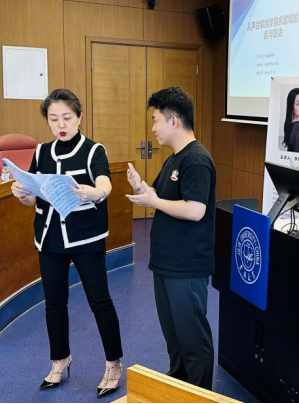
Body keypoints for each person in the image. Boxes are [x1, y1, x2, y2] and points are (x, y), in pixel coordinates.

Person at [11, 89, 124, 399]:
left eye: (67, 118)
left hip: (85, 237)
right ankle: (60, 359)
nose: (60, 125)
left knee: (99, 301)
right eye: (53, 119)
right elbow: (34, 196)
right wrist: (22, 194)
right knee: (54, 303)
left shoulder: (93, 150)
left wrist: (96, 193)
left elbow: (104, 182)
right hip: (49, 237)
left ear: (79, 117)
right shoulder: (41, 151)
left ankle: (113, 363)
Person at [126, 87, 216, 390]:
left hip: (187, 265)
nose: (153, 128)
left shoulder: (197, 160)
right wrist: (142, 188)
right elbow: (159, 194)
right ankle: (178, 385)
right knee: (174, 337)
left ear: (174, 120)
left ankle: (200, 393)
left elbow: (195, 210)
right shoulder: (174, 159)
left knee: (192, 338)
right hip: (165, 263)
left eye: (156, 120)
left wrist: (153, 201)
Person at [283, 87, 299, 154]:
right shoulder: (296, 128)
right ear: (292, 107)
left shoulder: (293, 125)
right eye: (298, 104)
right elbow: (296, 156)